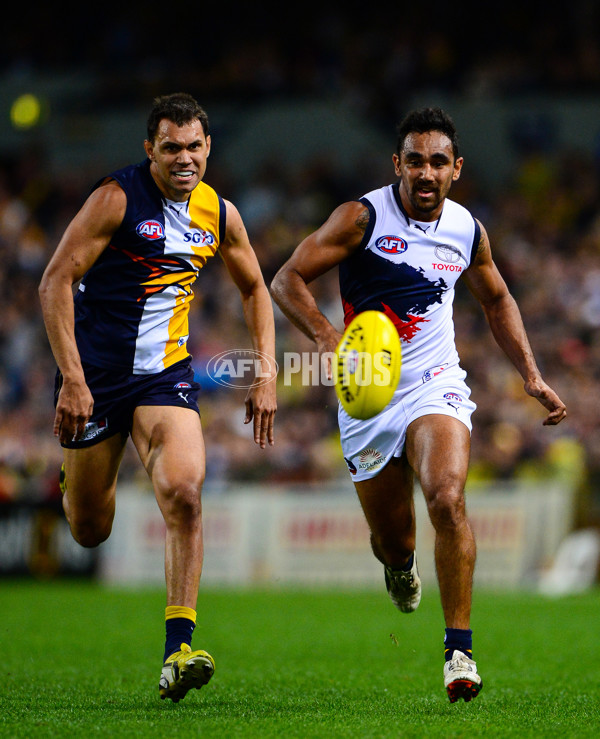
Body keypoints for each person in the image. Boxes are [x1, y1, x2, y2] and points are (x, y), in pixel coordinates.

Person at [270, 107, 566, 703]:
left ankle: (459, 651)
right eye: (414, 161)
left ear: (456, 169)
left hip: (436, 382)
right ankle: (399, 569)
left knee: (448, 496)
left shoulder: (468, 230)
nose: (425, 172)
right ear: (397, 165)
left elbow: (497, 298)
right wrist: (331, 341)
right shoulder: (361, 218)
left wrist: (531, 376)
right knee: (394, 542)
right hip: (367, 395)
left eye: (438, 162)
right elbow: (286, 279)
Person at [38, 93, 277, 703]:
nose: (184, 158)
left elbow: (255, 286)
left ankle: (179, 650)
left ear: (207, 148)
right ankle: (81, 478)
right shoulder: (116, 199)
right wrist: (71, 377)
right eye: (171, 147)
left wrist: (267, 371)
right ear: (150, 150)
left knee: (184, 492)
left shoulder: (219, 213)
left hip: (164, 377)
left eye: (194, 146)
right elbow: (55, 280)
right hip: (94, 377)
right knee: (90, 529)